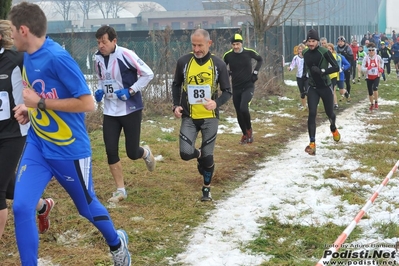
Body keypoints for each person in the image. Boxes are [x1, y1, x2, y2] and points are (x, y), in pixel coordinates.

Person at [9, 3, 131, 265]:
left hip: (68, 148)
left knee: (87, 208)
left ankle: (117, 244)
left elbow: (87, 103)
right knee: (21, 207)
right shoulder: (28, 55)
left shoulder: (57, 58)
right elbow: (41, 98)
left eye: (12, 31)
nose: (10, 37)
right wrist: (29, 110)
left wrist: (39, 103)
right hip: (38, 144)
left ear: (23, 30)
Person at [0, 19, 54, 240]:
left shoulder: (16, 59)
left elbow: (42, 76)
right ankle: (41, 205)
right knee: (5, 181)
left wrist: (34, 105)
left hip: (14, 132)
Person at [94, 25, 155, 203]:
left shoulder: (126, 54)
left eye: (104, 42)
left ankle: (145, 153)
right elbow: (101, 80)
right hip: (110, 111)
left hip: (130, 109)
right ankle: (121, 190)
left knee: (132, 152)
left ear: (114, 41)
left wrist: (131, 90)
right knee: (110, 150)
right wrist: (99, 92)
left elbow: (148, 74)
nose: (101, 46)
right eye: (98, 42)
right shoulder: (97, 59)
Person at [172, 29, 231, 201]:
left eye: (200, 45)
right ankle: (200, 157)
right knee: (185, 153)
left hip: (209, 118)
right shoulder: (183, 62)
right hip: (189, 117)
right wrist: (176, 105)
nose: (197, 49)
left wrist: (216, 103)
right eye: (193, 45)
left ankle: (206, 190)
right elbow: (176, 85)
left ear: (209, 44)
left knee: (209, 155)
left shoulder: (218, 65)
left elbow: (228, 92)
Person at [302, 29, 340, 156]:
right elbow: (304, 70)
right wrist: (303, 87)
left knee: (329, 113)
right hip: (313, 87)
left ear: (317, 41)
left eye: (313, 41)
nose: (311, 44)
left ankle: (333, 128)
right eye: (309, 41)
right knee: (312, 112)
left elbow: (336, 67)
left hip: (325, 86)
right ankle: (312, 143)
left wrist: (322, 71)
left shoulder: (324, 52)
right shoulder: (306, 52)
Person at [223, 33, 263, 144]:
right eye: (234, 44)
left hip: (248, 85)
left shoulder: (249, 52)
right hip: (236, 87)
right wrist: (227, 73)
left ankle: (249, 130)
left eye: (238, 44)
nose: (236, 47)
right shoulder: (228, 55)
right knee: (238, 112)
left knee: (243, 108)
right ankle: (245, 134)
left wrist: (255, 73)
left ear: (241, 44)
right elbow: (222, 67)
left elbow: (260, 60)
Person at [326, 43, 351, 110]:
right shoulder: (325, 57)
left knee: (341, 91)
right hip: (332, 76)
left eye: (330, 49)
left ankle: (346, 93)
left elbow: (348, 64)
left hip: (340, 75)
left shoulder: (339, 57)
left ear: (333, 50)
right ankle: (335, 104)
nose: (329, 50)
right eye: (327, 49)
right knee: (333, 90)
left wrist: (342, 68)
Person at [361, 43, 384, 111]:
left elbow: (382, 63)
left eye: (372, 50)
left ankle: (376, 102)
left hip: (376, 76)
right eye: (369, 50)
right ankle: (372, 104)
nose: (371, 52)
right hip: (369, 77)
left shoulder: (378, 57)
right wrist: (367, 68)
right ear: (368, 51)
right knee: (370, 92)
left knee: (375, 88)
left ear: (375, 50)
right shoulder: (366, 58)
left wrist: (381, 69)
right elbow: (362, 68)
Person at [287, 43, 308, 110]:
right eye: (299, 49)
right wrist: (290, 68)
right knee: (302, 92)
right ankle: (304, 105)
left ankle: (310, 104)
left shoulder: (308, 57)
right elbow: (292, 65)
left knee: (307, 91)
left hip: (307, 76)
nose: (300, 51)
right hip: (299, 76)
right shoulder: (296, 58)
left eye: (302, 49)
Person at [336, 36, 353, 102]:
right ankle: (344, 94)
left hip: (346, 66)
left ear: (344, 42)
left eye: (341, 42)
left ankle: (348, 94)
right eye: (339, 42)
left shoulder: (347, 48)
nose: (340, 43)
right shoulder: (336, 48)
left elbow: (352, 57)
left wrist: (345, 54)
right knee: (340, 82)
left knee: (347, 82)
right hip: (339, 68)